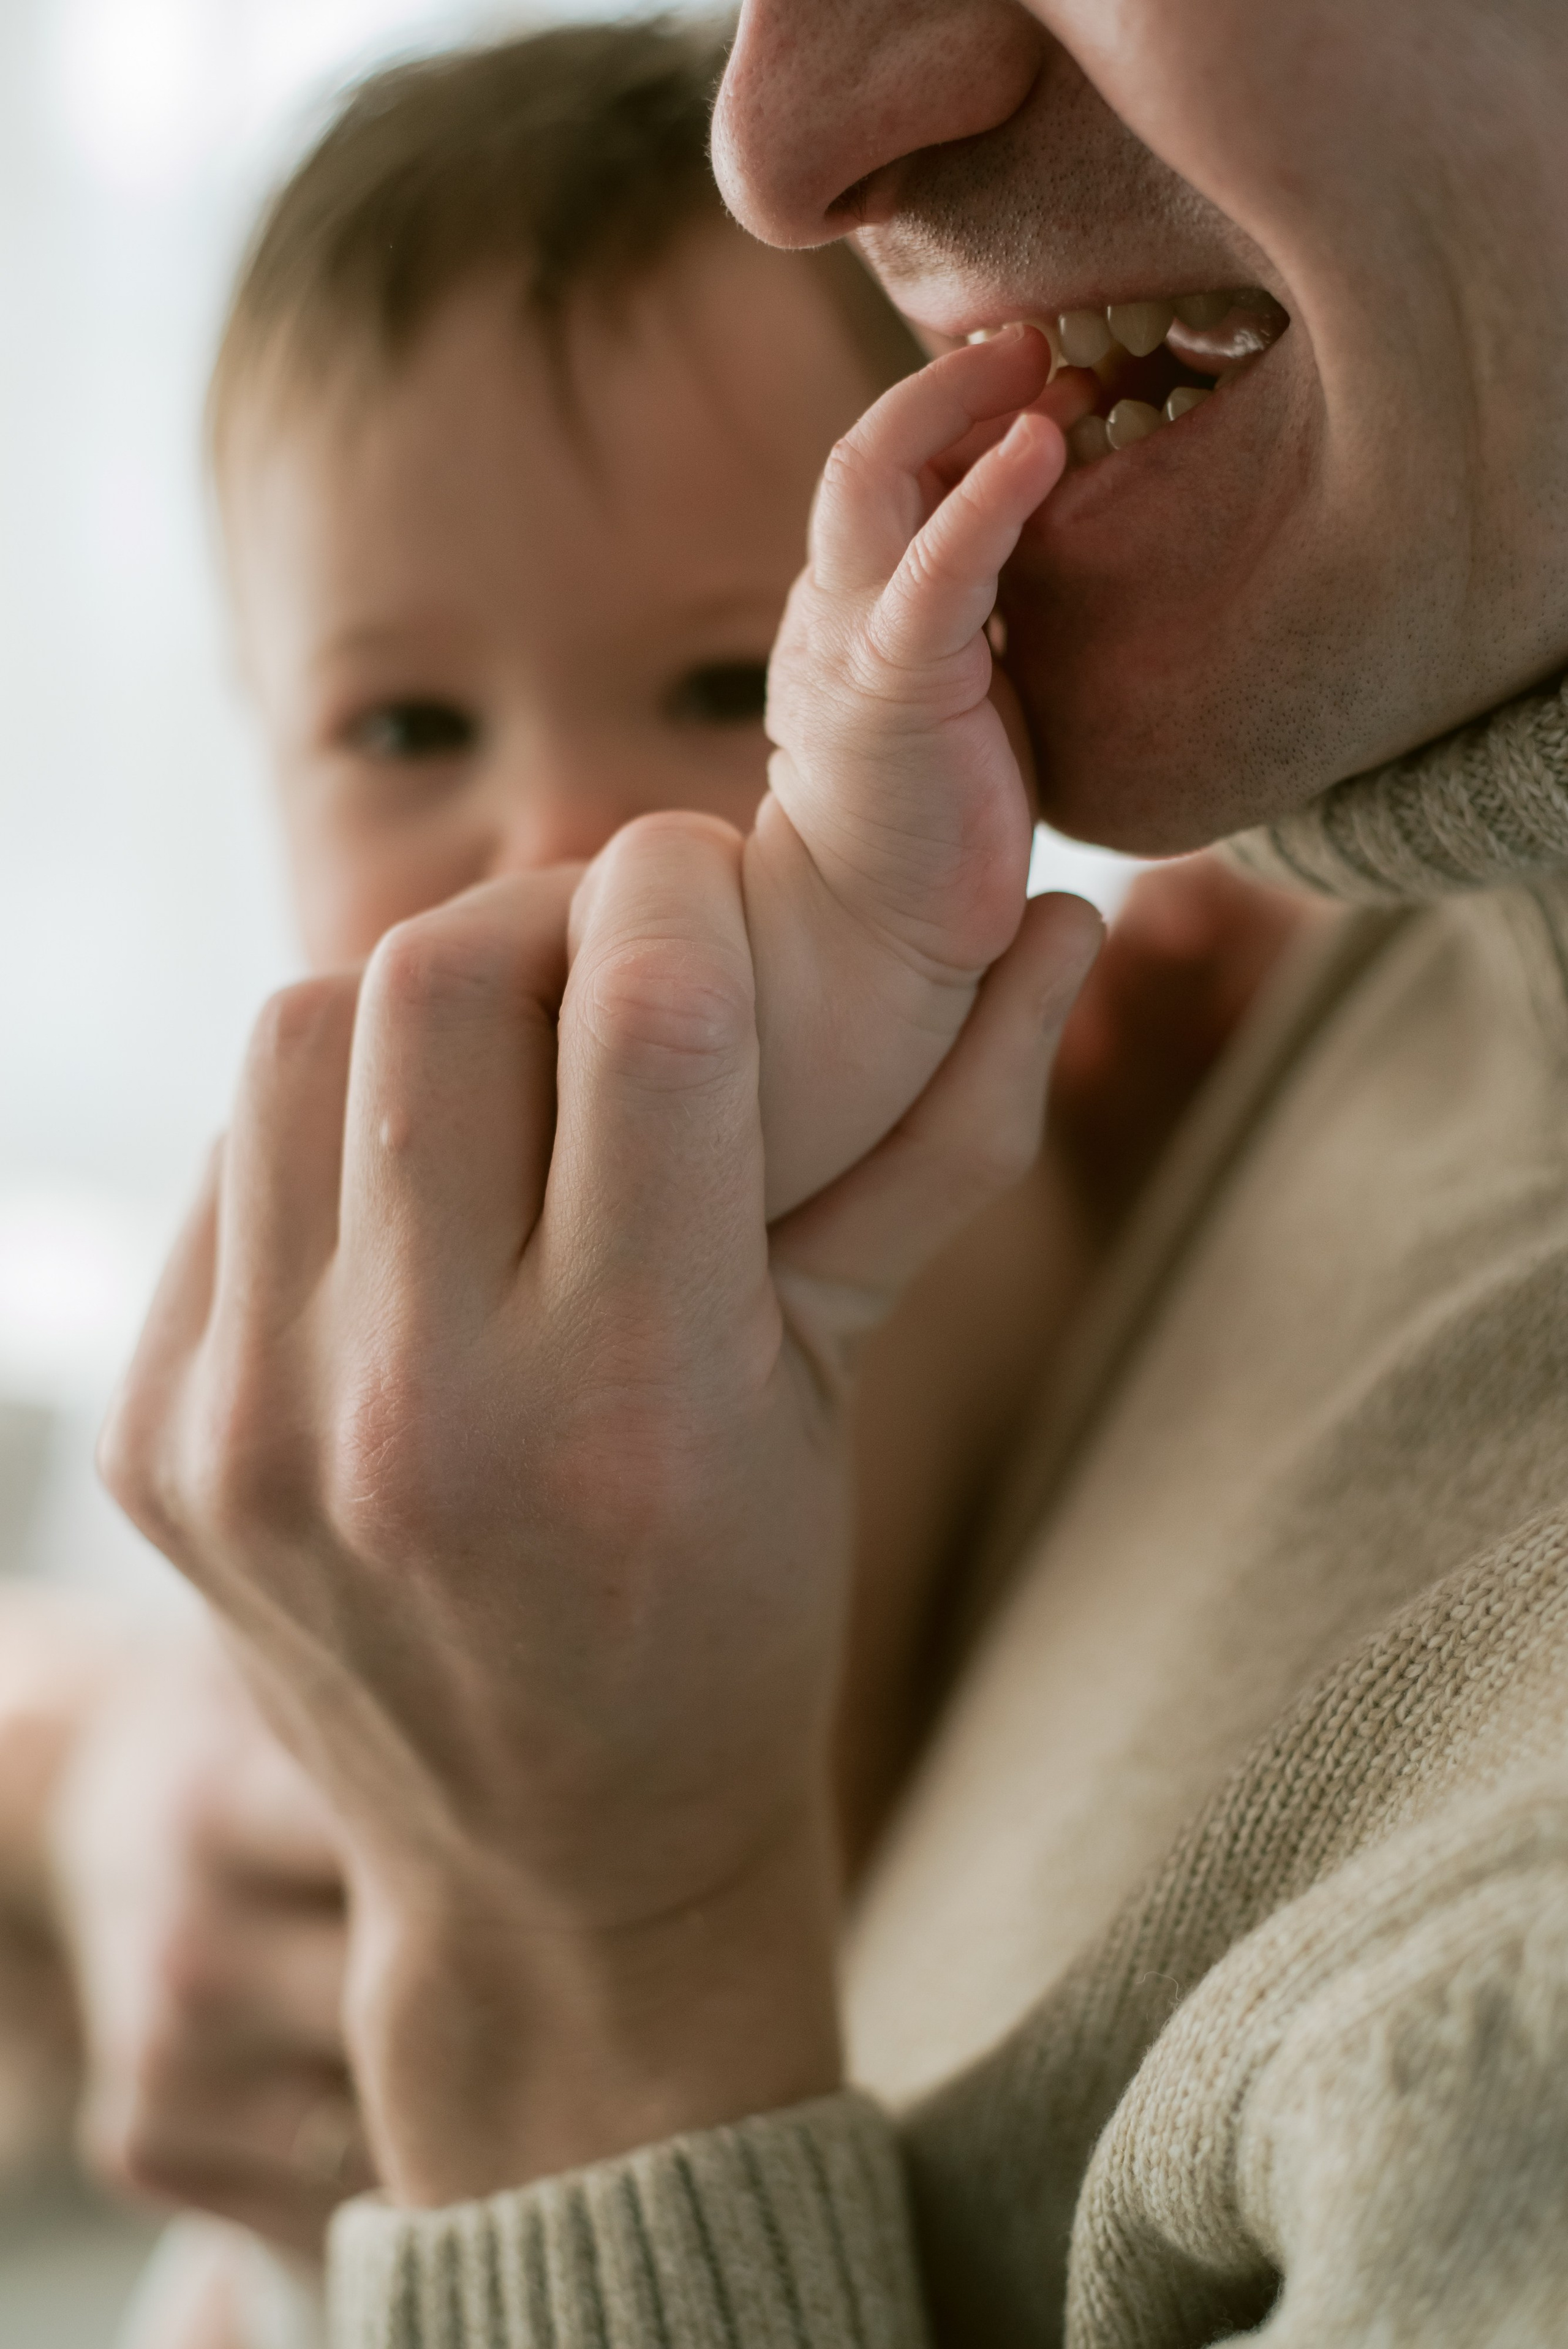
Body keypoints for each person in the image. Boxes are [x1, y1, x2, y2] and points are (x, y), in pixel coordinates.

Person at [97, 1, 1568, 2340]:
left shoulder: (1082, 1071)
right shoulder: (1344, 916)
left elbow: (630, 1735)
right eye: (400, 727)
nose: (560, 840)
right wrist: (149, 1785)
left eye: (716, 684)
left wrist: (568, 1956)